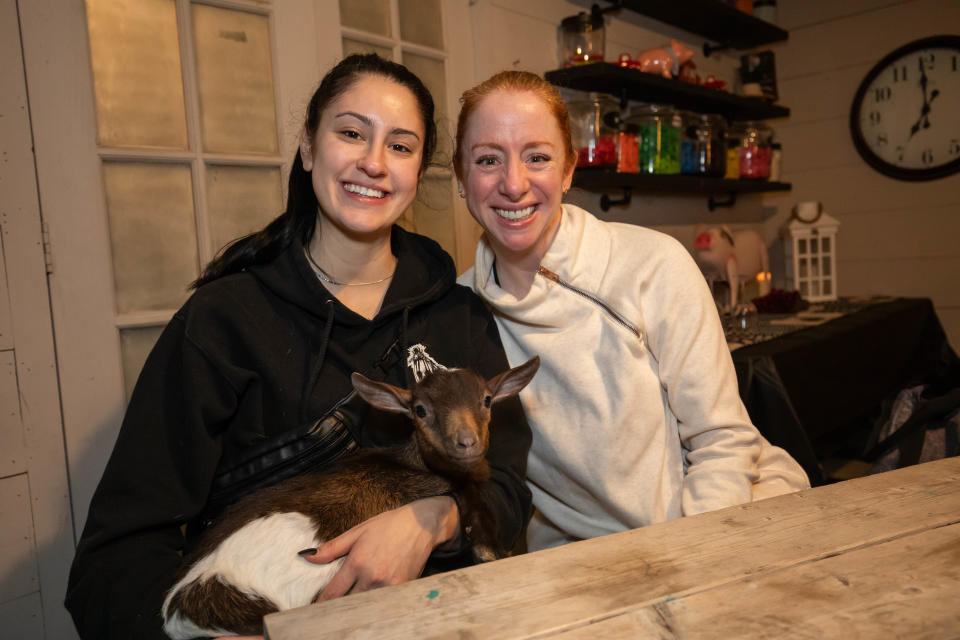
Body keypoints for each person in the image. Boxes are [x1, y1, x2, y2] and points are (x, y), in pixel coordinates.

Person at [65, 55, 533, 640]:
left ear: (420, 172)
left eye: (401, 145)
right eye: (351, 133)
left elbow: (509, 488)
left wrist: (435, 520)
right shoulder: (223, 322)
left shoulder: (455, 313)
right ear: (309, 148)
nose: (373, 162)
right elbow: (114, 560)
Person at [454, 71, 809, 552]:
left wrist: (696, 557)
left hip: (729, 517)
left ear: (569, 170)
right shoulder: (457, 311)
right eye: (488, 160)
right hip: (595, 556)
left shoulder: (652, 264)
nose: (513, 183)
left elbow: (722, 441)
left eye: (537, 157)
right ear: (460, 176)